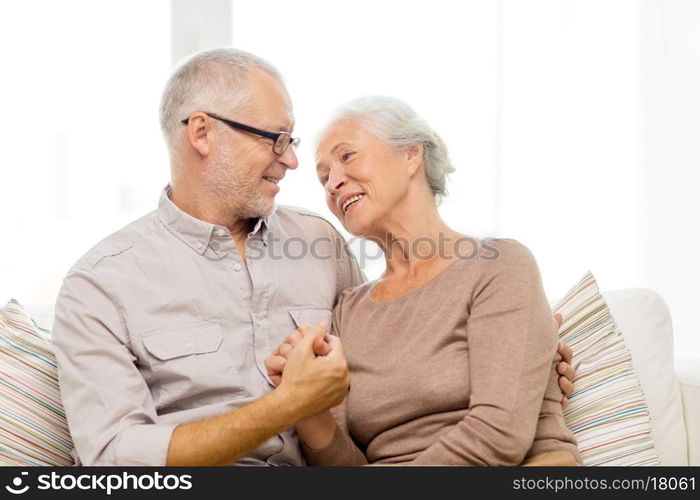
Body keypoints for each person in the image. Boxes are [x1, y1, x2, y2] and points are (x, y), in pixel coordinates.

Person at [52, 48, 575, 466]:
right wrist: (289, 408)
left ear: (413, 154)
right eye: (276, 139)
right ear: (203, 133)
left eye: (338, 156)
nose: (294, 162)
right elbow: (114, 461)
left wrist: (527, 348)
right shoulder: (101, 284)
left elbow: (418, 349)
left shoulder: (321, 245)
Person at [266, 95, 582, 466]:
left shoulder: (498, 266)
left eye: (347, 156)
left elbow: (499, 433)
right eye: (323, 178)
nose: (333, 183)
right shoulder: (349, 311)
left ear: (411, 155)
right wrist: (306, 408)